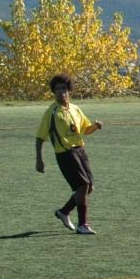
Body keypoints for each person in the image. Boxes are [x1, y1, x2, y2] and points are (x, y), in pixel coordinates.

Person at [35, 74, 103, 235]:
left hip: (80, 150)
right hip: (65, 153)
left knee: (89, 187)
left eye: (64, 89)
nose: (61, 92)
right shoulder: (51, 112)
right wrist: (39, 159)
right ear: (53, 92)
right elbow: (40, 137)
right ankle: (83, 224)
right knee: (83, 186)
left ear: (69, 91)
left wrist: (95, 126)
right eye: (57, 89)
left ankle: (64, 212)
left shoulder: (75, 108)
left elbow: (85, 130)